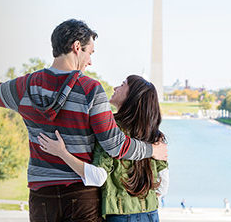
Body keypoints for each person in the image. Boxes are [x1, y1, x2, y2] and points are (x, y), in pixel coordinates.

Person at [0, 19, 167, 222]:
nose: (91, 61)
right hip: (81, 195)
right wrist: (151, 150)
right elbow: (116, 145)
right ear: (76, 47)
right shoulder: (91, 90)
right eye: (90, 52)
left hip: (41, 196)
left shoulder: (23, 87)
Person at [38, 75, 169, 221]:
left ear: (132, 96)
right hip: (151, 214)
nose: (115, 88)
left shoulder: (110, 129)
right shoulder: (155, 135)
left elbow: (98, 177)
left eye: (122, 84)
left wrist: (61, 153)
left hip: (121, 216)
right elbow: (163, 186)